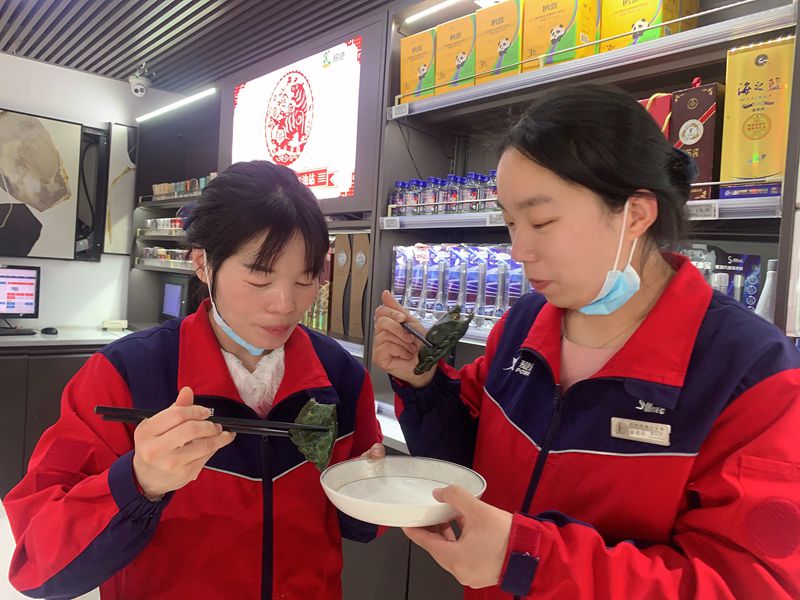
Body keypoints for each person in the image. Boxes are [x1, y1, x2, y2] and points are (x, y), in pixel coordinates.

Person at [373, 83, 800, 599]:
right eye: (510, 222)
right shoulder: (523, 325)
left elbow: (747, 583)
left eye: (541, 221)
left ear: (635, 216)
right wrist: (424, 384)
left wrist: (528, 559)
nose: (519, 250)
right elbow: (467, 465)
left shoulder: (748, 372)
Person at [4, 160, 384, 599]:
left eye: (305, 279)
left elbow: (361, 527)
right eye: (259, 278)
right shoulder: (125, 374)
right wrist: (139, 482)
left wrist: (376, 488)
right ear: (203, 263)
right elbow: (37, 566)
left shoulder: (339, 376)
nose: (285, 304)